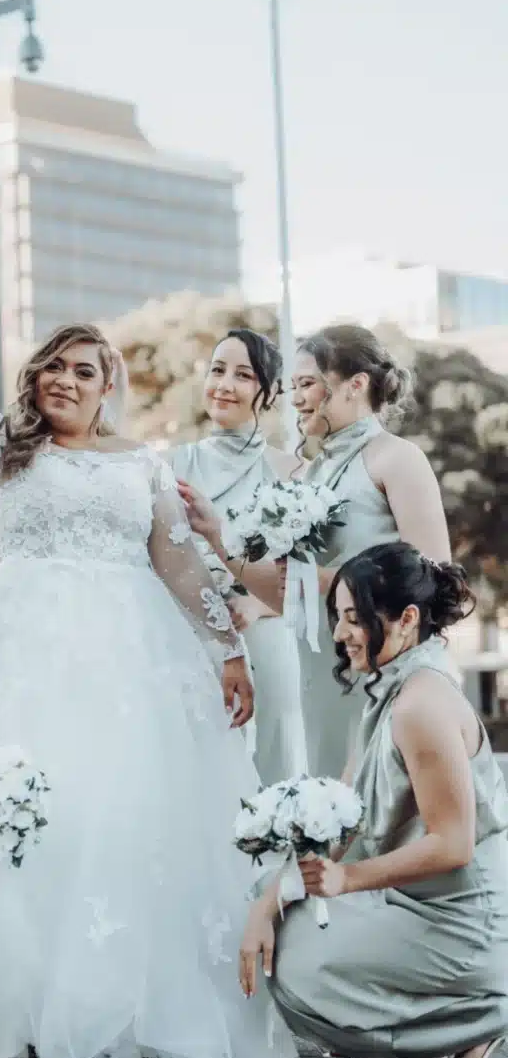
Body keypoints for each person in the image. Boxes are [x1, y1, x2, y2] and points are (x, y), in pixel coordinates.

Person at [0, 248, 299, 1058]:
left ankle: (121, 1008)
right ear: (35, 380)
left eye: (85, 370)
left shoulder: (144, 464)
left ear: (108, 388)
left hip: (134, 666)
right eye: (54, 365)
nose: (66, 379)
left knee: (122, 818)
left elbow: (176, 562)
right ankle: (15, 1009)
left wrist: (227, 651)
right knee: (32, 818)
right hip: (18, 662)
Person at [239, 543, 508, 1058]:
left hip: (462, 922)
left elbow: (454, 844)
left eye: (355, 619)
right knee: (273, 921)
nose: (340, 635)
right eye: (339, 618)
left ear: (407, 620)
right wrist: (270, 898)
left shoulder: (421, 706)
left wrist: (345, 880)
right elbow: (346, 809)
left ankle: (478, 1015)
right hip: (415, 904)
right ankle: (432, 1031)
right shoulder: (393, 689)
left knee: (296, 969)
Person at [185, 325, 450, 777]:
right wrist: (217, 537)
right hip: (320, 673)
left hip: (384, 674)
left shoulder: (396, 458)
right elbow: (289, 594)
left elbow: (436, 577)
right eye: (292, 388)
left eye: (307, 384)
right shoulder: (310, 477)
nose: (296, 399)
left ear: (355, 384)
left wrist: (327, 582)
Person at [170, 330, 305, 785]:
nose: (224, 384)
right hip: (193, 629)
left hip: (264, 626)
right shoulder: (173, 464)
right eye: (217, 370)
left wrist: (259, 603)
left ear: (267, 393)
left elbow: (305, 574)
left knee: (278, 725)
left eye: (243, 375)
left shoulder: (291, 470)